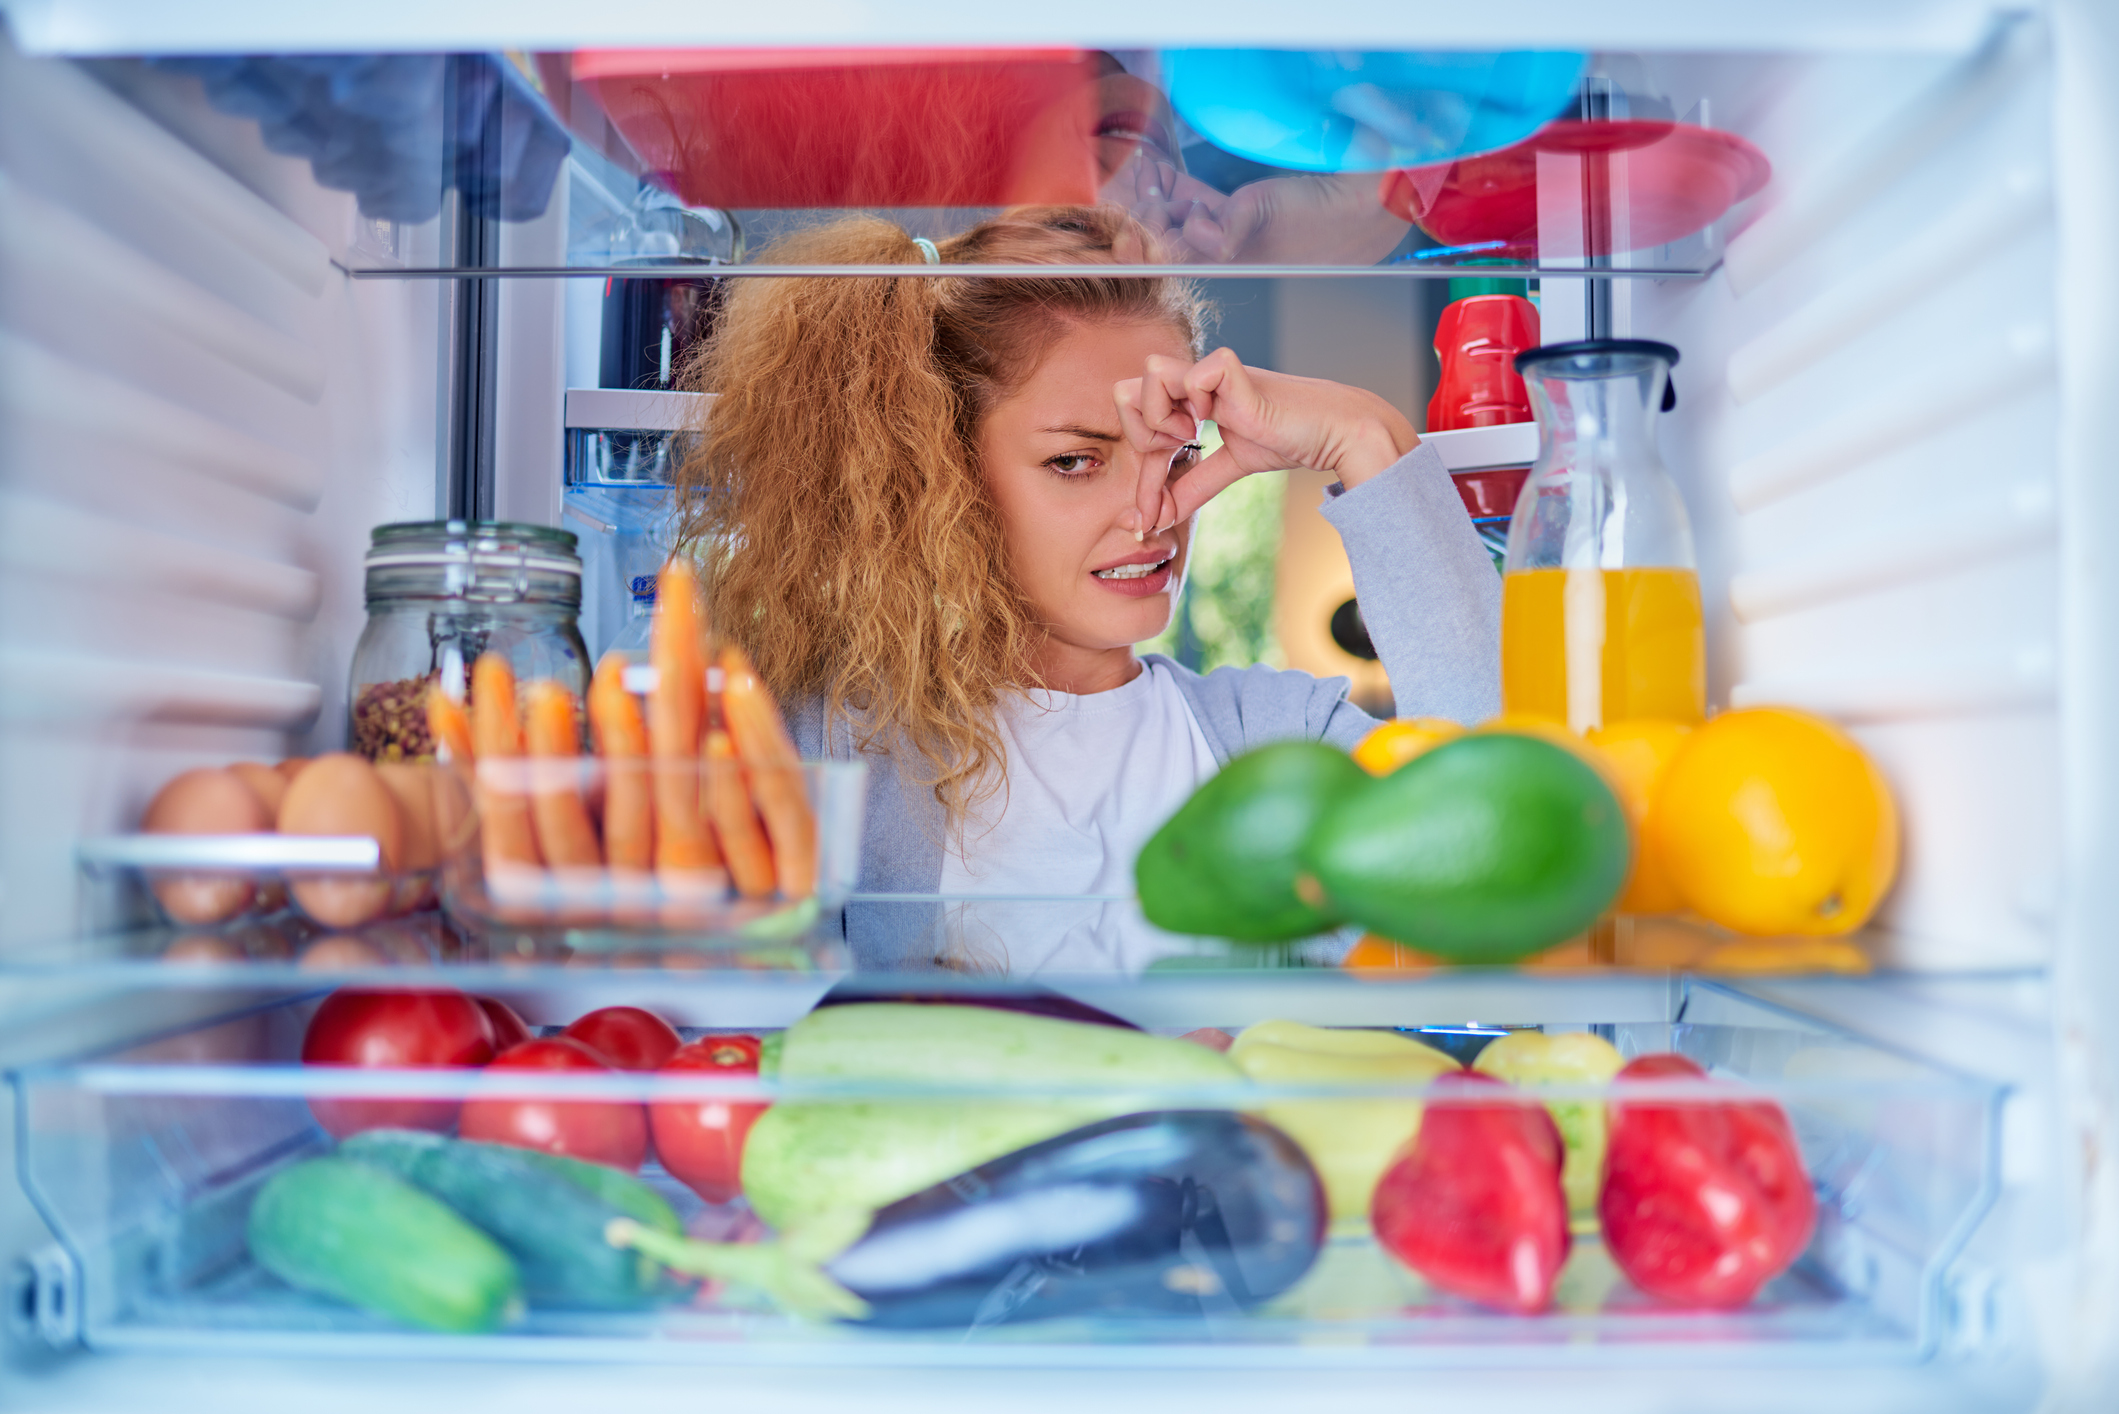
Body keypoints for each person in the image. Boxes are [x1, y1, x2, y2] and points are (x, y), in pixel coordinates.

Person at [676, 205, 1499, 970]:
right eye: (1075, 461)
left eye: (1176, 457)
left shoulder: (1278, 738)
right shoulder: (826, 741)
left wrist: (1361, 434)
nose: (1151, 513)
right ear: (941, 477)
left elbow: (1508, 827)